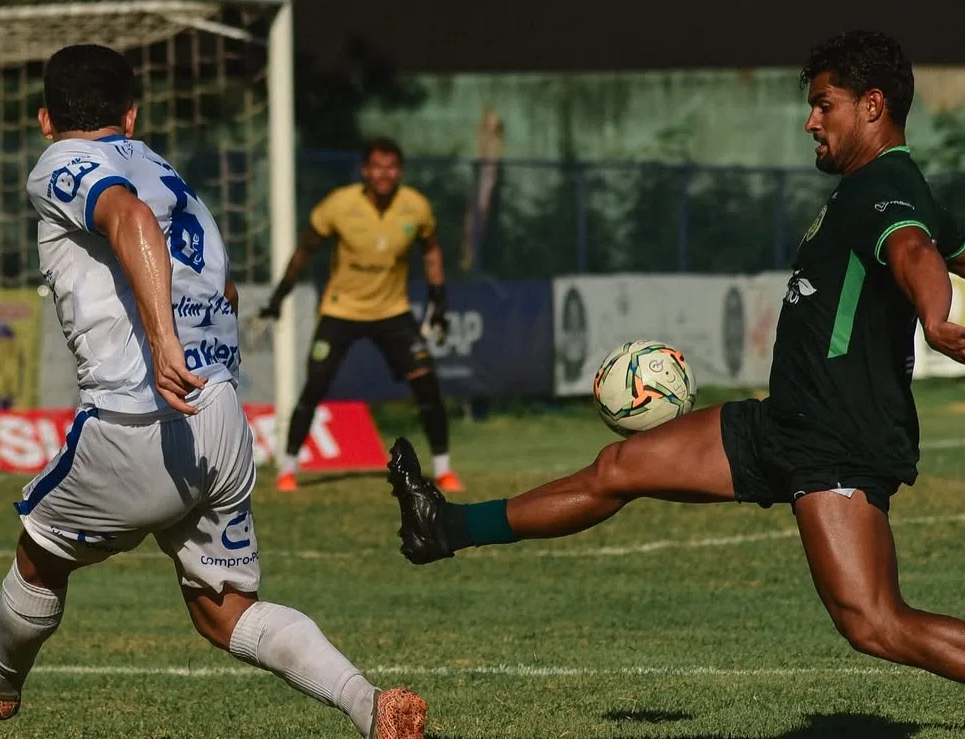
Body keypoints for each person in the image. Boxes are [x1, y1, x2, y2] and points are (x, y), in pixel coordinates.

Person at [0, 44, 434, 739]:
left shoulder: (62, 161)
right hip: (220, 419)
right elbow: (218, 279)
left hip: (141, 414)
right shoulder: (171, 176)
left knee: (38, 554)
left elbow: (125, 219)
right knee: (224, 610)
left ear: (44, 120)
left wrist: (161, 341)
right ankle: (373, 709)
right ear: (133, 114)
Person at [388, 30, 965, 685]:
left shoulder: (883, 187)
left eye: (823, 105)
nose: (810, 121)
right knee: (618, 468)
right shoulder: (884, 186)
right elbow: (946, 247)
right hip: (785, 423)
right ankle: (444, 526)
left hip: (837, 437)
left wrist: (934, 313)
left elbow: (915, 250)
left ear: (871, 105)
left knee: (873, 622)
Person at [257, 137, 464, 493]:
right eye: (377, 167)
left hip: (392, 310)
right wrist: (280, 295)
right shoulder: (339, 205)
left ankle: (444, 469)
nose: (384, 174)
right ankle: (288, 470)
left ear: (400, 171)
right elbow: (306, 249)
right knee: (315, 386)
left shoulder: (416, 207)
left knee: (426, 382)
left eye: (392, 167)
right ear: (365, 170)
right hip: (341, 309)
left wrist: (439, 299)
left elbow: (431, 251)